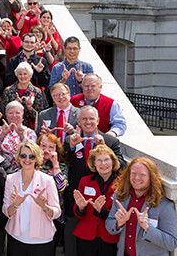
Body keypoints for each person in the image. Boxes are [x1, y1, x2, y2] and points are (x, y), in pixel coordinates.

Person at [63, 105, 126, 256]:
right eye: (84, 119)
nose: (88, 122)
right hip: (77, 202)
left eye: (91, 118)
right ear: (78, 121)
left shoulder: (110, 141)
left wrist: (105, 147)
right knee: (74, 247)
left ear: (98, 120)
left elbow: (122, 167)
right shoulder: (70, 140)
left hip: (103, 204)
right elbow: (61, 162)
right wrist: (71, 147)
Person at [106, 157, 177, 256]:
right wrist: (119, 222)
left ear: (151, 177)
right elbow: (109, 226)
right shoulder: (120, 196)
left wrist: (148, 227)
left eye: (142, 175)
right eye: (133, 173)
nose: (136, 178)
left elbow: (172, 243)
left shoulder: (164, 205)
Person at [2, 141, 61, 255]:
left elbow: (57, 212)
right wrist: (15, 204)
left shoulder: (47, 180)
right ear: (18, 158)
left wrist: (44, 206)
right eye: (23, 155)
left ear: (37, 158)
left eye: (31, 156)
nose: (27, 159)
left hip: (42, 241)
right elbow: (6, 211)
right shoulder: (10, 179)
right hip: (16, 239)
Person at [72, 144, 121, 256]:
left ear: (113, 161)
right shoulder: (85, 181)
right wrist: (81, 207)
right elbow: (78, 213)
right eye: (99, 160)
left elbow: (121, 215)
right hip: (86, 235)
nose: (103, 164)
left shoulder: (122, 184)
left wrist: (102, 212)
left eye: (106, 159)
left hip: (109, 236)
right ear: (93, 163)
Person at [3, 62, 49, 129]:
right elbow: (5, 113)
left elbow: (39, 116)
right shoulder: (8, 90)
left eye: (25, 74)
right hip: (12, 127)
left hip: (30, 129)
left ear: (30, 75)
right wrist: (14, 104)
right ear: (17, 75)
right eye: (20, 74)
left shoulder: (36, 91)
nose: (22, 76)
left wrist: (30, 107)